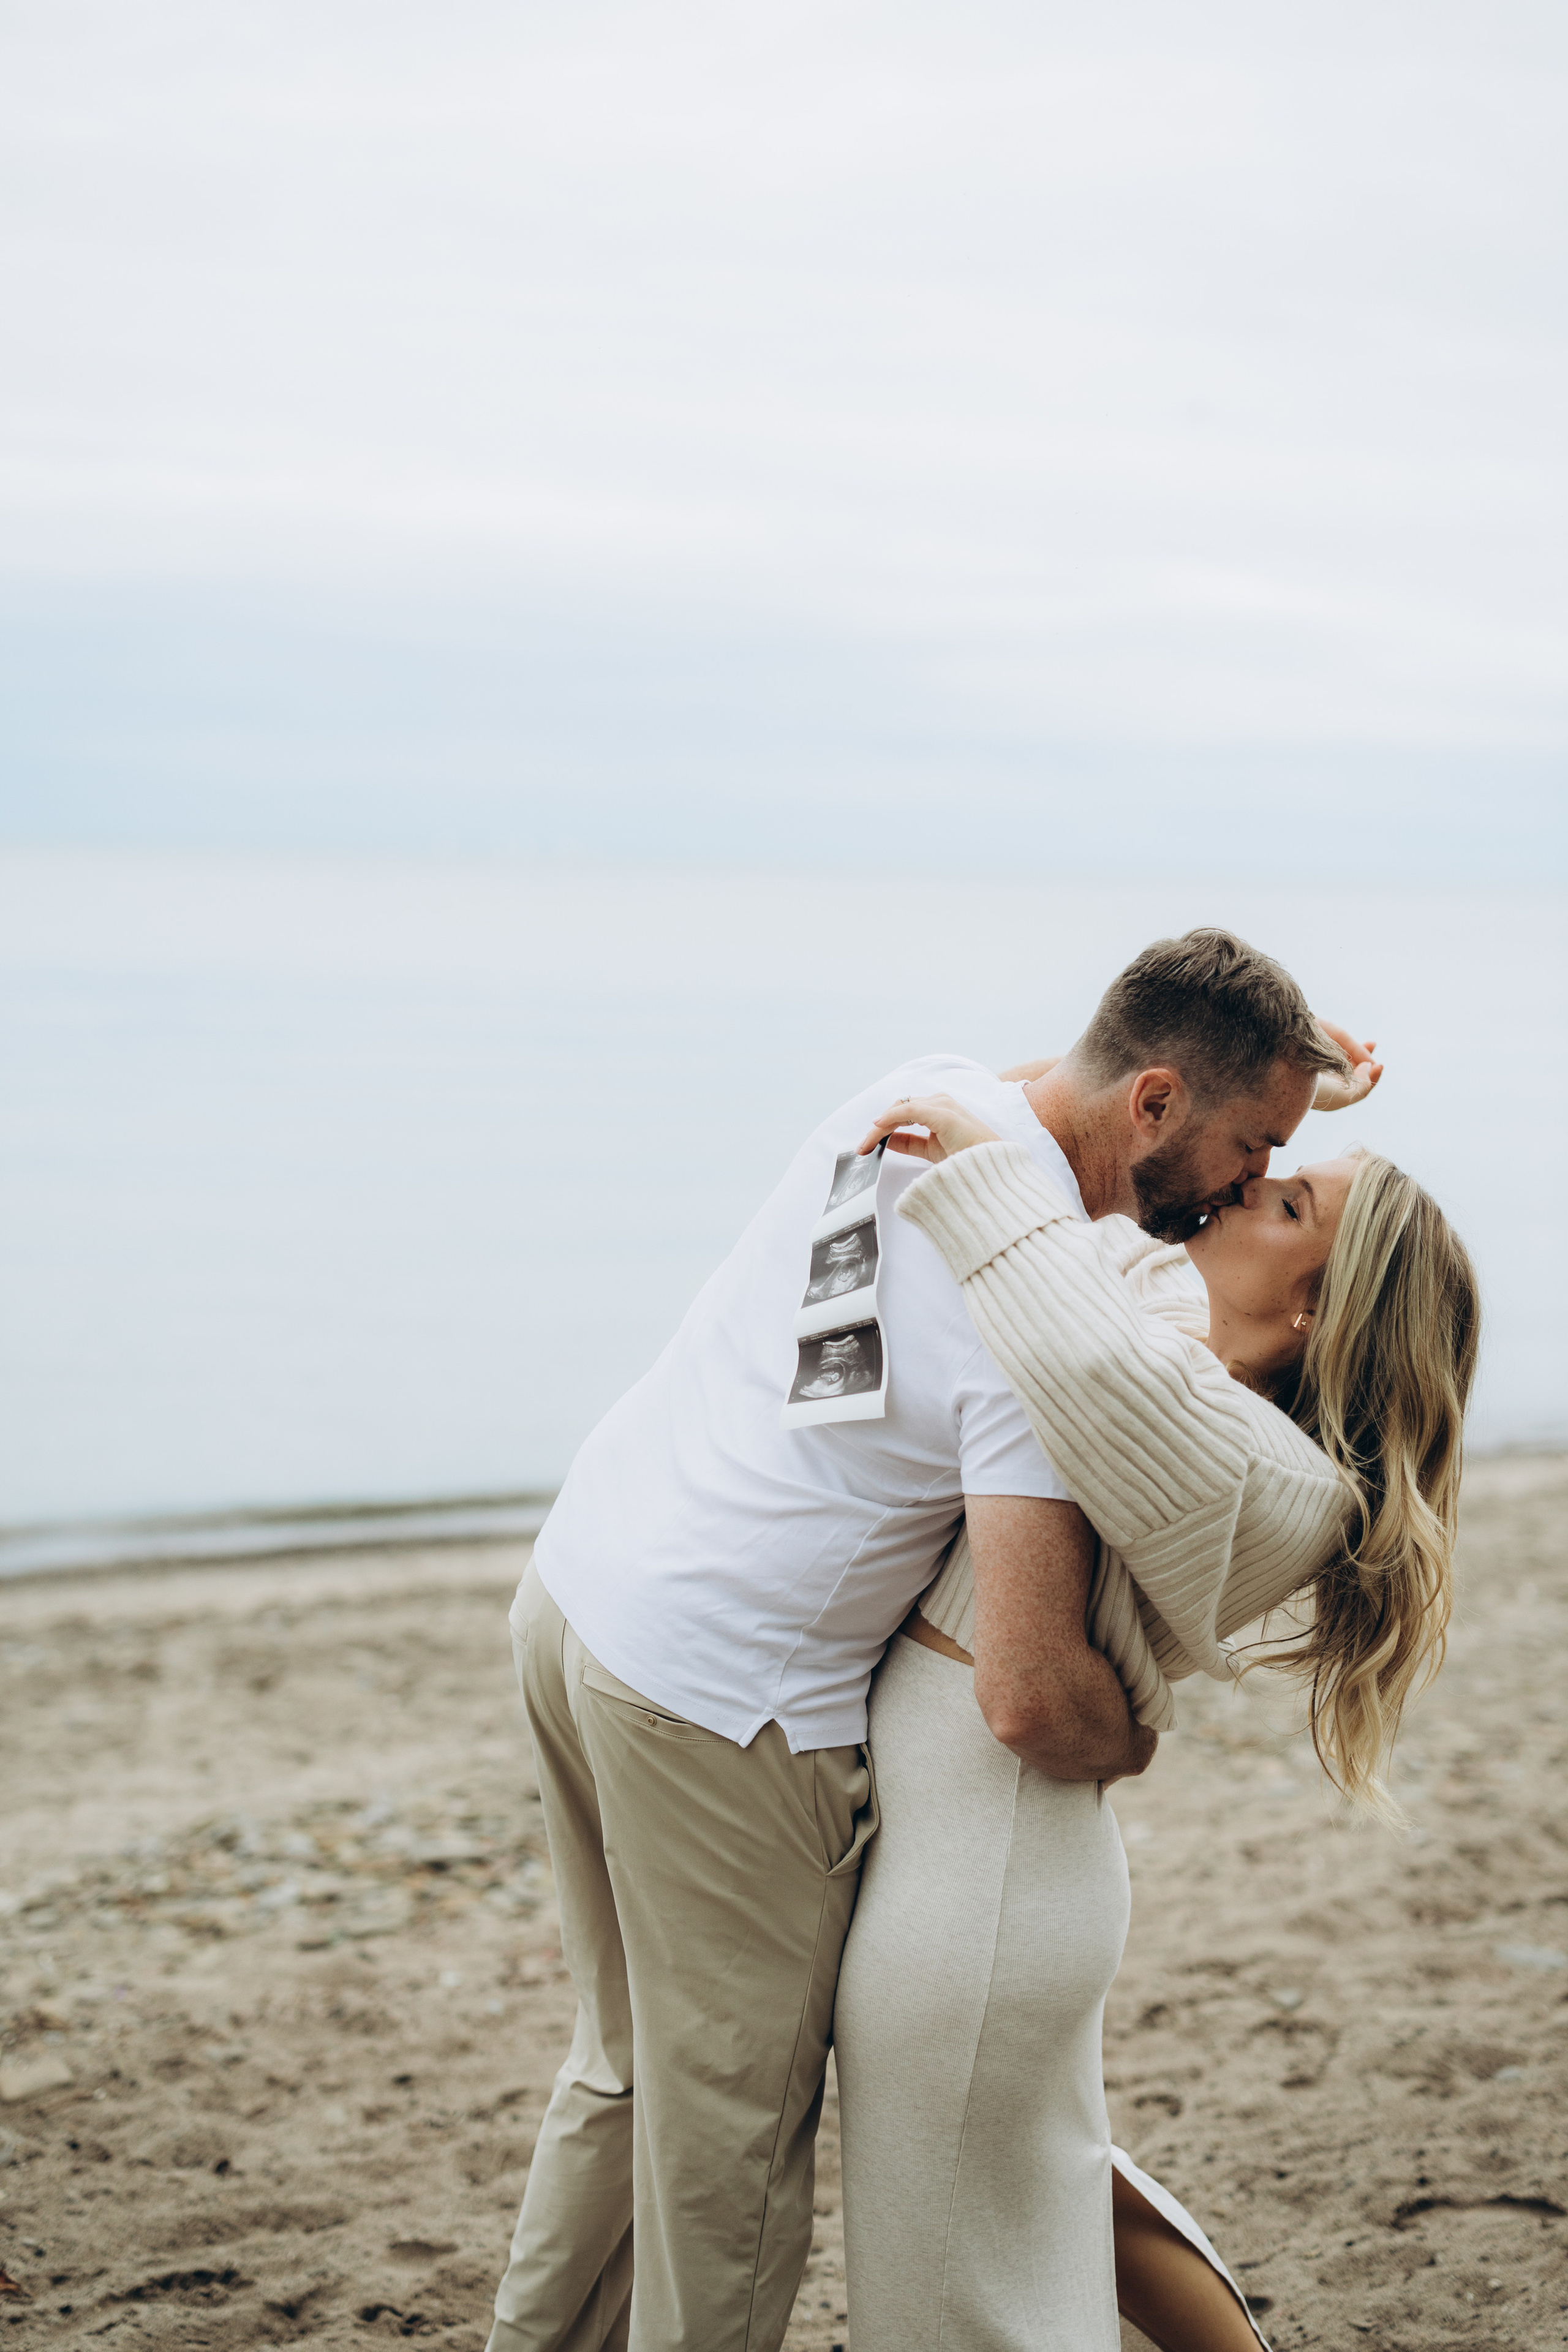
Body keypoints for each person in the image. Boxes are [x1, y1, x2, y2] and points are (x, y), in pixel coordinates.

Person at [486, 929, 1366, 2352]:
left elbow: (1078, 1114)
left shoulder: (929, 1091)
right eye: (1250, 1146)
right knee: (727, 2163)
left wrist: (1281, 1081)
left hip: (579, 1596)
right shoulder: (1030, 1333)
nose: (1243, 1186)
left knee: (624, 2076)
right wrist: (1127, 1733)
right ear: (1152, 1103)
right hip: (722, 1708)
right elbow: (1027, 1692)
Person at [833, 1065, 1479, 2351]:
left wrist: (974, 1172)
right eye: (1260, 1164)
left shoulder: (1253, 1465)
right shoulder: (1150, 1324)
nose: (1240, 1188)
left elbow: (1064, 1335)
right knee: (1057, 2195)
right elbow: (1093, 1235)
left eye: (1283, 1200)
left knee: (953, 2278)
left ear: (1310, 1308)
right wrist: (1244, 1067)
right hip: (982, 1845)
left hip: (986, 1865)